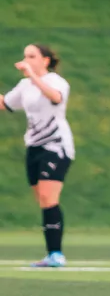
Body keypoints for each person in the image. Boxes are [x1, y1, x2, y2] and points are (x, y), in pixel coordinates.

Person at [1, 44, 74, 267]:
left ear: (45, 60)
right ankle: (51, 253)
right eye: (25, 56)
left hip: (56, 146)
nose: (26, 60)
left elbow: (55, 98)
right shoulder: (24, 86)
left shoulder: (56, 82)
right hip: (34, 147)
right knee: (43, 200)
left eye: (32, 56)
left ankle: (56, 254)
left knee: (48, 197)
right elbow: (5, 104)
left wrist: (33, 75)